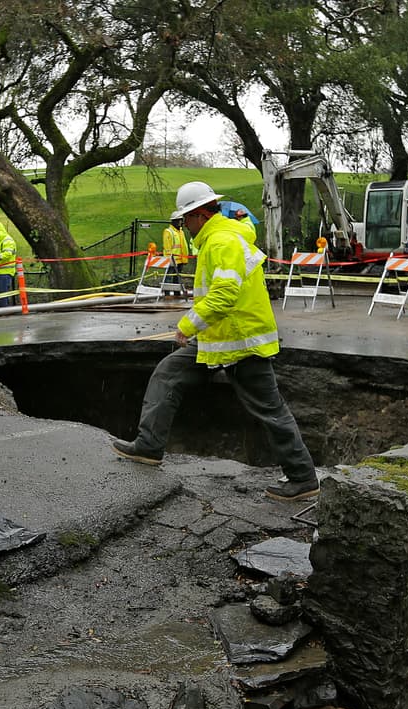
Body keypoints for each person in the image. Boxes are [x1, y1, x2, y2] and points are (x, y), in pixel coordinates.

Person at [112, 181, 320, 502]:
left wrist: (188, 324)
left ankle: (303, 479)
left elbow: (224, 295)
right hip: (218, 339)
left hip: (240, 342)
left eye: (185, 221)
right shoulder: (220, 239)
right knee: (168, 372)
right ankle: (149, 446)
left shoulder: (222, 242)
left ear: (198, 215)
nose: (185, 228)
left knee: (270, 411)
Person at [162, 217, 191, 293]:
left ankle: (177, 293)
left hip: (180, 259)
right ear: (174, 221)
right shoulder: (168, 231)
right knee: (168, 277)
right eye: (179, 221)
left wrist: (185, 258)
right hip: (172, 260)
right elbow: (167, 247)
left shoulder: (181, 232)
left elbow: (183, 246)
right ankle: (166, 294)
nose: (181, 222)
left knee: (177, 278)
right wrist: (169, 259)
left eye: (181, 221)